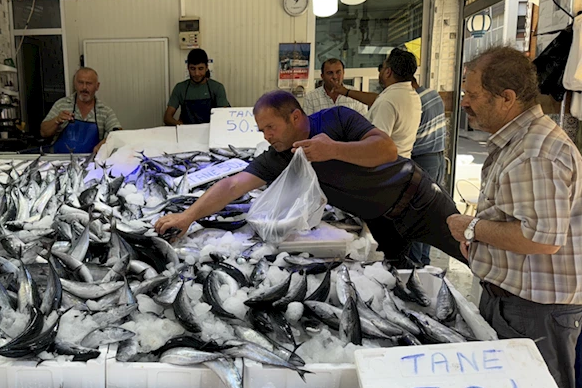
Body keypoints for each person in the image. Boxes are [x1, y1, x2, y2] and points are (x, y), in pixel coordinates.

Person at [155, 90, 465, 267]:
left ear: (294, 117)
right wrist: (188, 215)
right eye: (262, 130)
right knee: (398, 276)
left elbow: (386, 149)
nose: (266, 136)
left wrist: (334, 150)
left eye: (270, 127)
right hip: (381, 220)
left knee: (477, 257)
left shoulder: (337, 119)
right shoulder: (281, 155)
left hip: (419, 199)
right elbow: (233, 185)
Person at [446, 46, 582, 388]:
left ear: (506, 98)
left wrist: (472, 228)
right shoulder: (517, 141)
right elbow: (517, 218)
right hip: (514, 302)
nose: (465, 103)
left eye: (473, 95)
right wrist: (482, 241)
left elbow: (541, 238)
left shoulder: (536, 151)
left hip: (536, 312)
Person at [331, 48, 421, 158]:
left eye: (381, 68)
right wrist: (346, 92)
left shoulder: (388, 101)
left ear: (388, 72)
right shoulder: (412, 95)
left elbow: (377, 144)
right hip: (402, 162)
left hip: (385, 167)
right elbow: (376, 99)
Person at [408, 79, 447, 266]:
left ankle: (416, 264)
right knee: (429, 212)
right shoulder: (433, 95)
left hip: (423, 159)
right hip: (439, 157)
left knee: (416, 213)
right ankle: (424, 260)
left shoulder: (415, 101)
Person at [40, 67, 121, 154]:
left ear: (97, 86)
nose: (84, 87)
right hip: (59, 161)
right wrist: (56, 120)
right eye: (80, 83)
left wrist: (104, 144)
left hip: (91, 161)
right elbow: (43, 132)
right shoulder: (61, 105)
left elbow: (118, 134)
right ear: (75, 84)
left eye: (89, 83)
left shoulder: (105, 111)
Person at [164, 49, 230, 126]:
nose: (197, 73)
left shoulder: (217, 88)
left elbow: (224, 117)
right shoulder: (180, 88)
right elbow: (167, 118)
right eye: (193, 69)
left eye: (200, 68)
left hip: (211, 133)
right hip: (187, 134)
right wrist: (180, 126)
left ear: (207, 68)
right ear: (188, 68)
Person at [302, 59, 368, 117]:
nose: (335, 77)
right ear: (322, 76)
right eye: (330, 73)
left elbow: (364, 123)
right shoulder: (311, 97)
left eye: (338, 72)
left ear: (343, 73)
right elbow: (308, 126)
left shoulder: (354, 93)